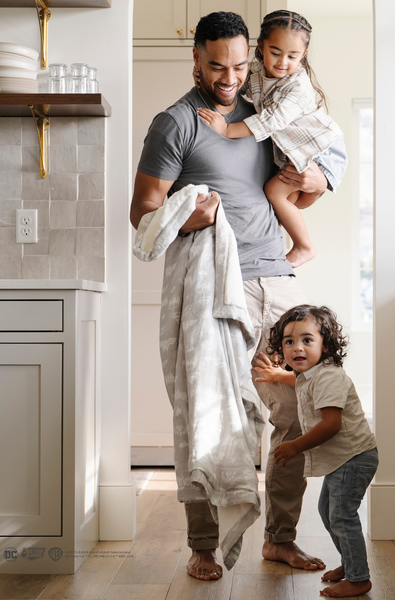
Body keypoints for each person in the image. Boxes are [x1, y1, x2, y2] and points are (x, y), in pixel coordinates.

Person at [129, 11, 348, 581]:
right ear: (196, 60)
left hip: (275, 278)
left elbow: (298, 188)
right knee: (209, 414)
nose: (230, 78)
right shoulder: (176, 123)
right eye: (216, 66)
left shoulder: (266, 113)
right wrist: (188, 217)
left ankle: (279, 539)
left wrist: (320, 182)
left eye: (239, 65)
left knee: (296, 412)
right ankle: (204, 544)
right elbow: (143, 214)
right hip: (213, 280)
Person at [197, 10, 341, 269]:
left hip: (321, 149)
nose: (282, 62)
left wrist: (228, 130)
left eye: (292, 56)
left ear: (303, 56)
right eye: (275, 52)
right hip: (297, 148)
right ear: (261, 47)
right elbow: (236, 80)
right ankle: (277, 244)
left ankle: (304, 246)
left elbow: (271, 120)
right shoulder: (257, 70)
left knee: (275, 192)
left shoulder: (297, 87)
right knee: (282, 203)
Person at [254, 305, 378, 598]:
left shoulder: (328, 377)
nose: (297, 347)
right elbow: (297, 382)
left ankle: (359, 577)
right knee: (328, 511)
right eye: (289, 341)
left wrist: (296, 445)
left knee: (341, 515)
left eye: (307, 340)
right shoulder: (310, 374)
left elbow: (331, 424)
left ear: (326, 343)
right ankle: (350, 564)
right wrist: (276, 376)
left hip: (354, 458)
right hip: (342, 459)